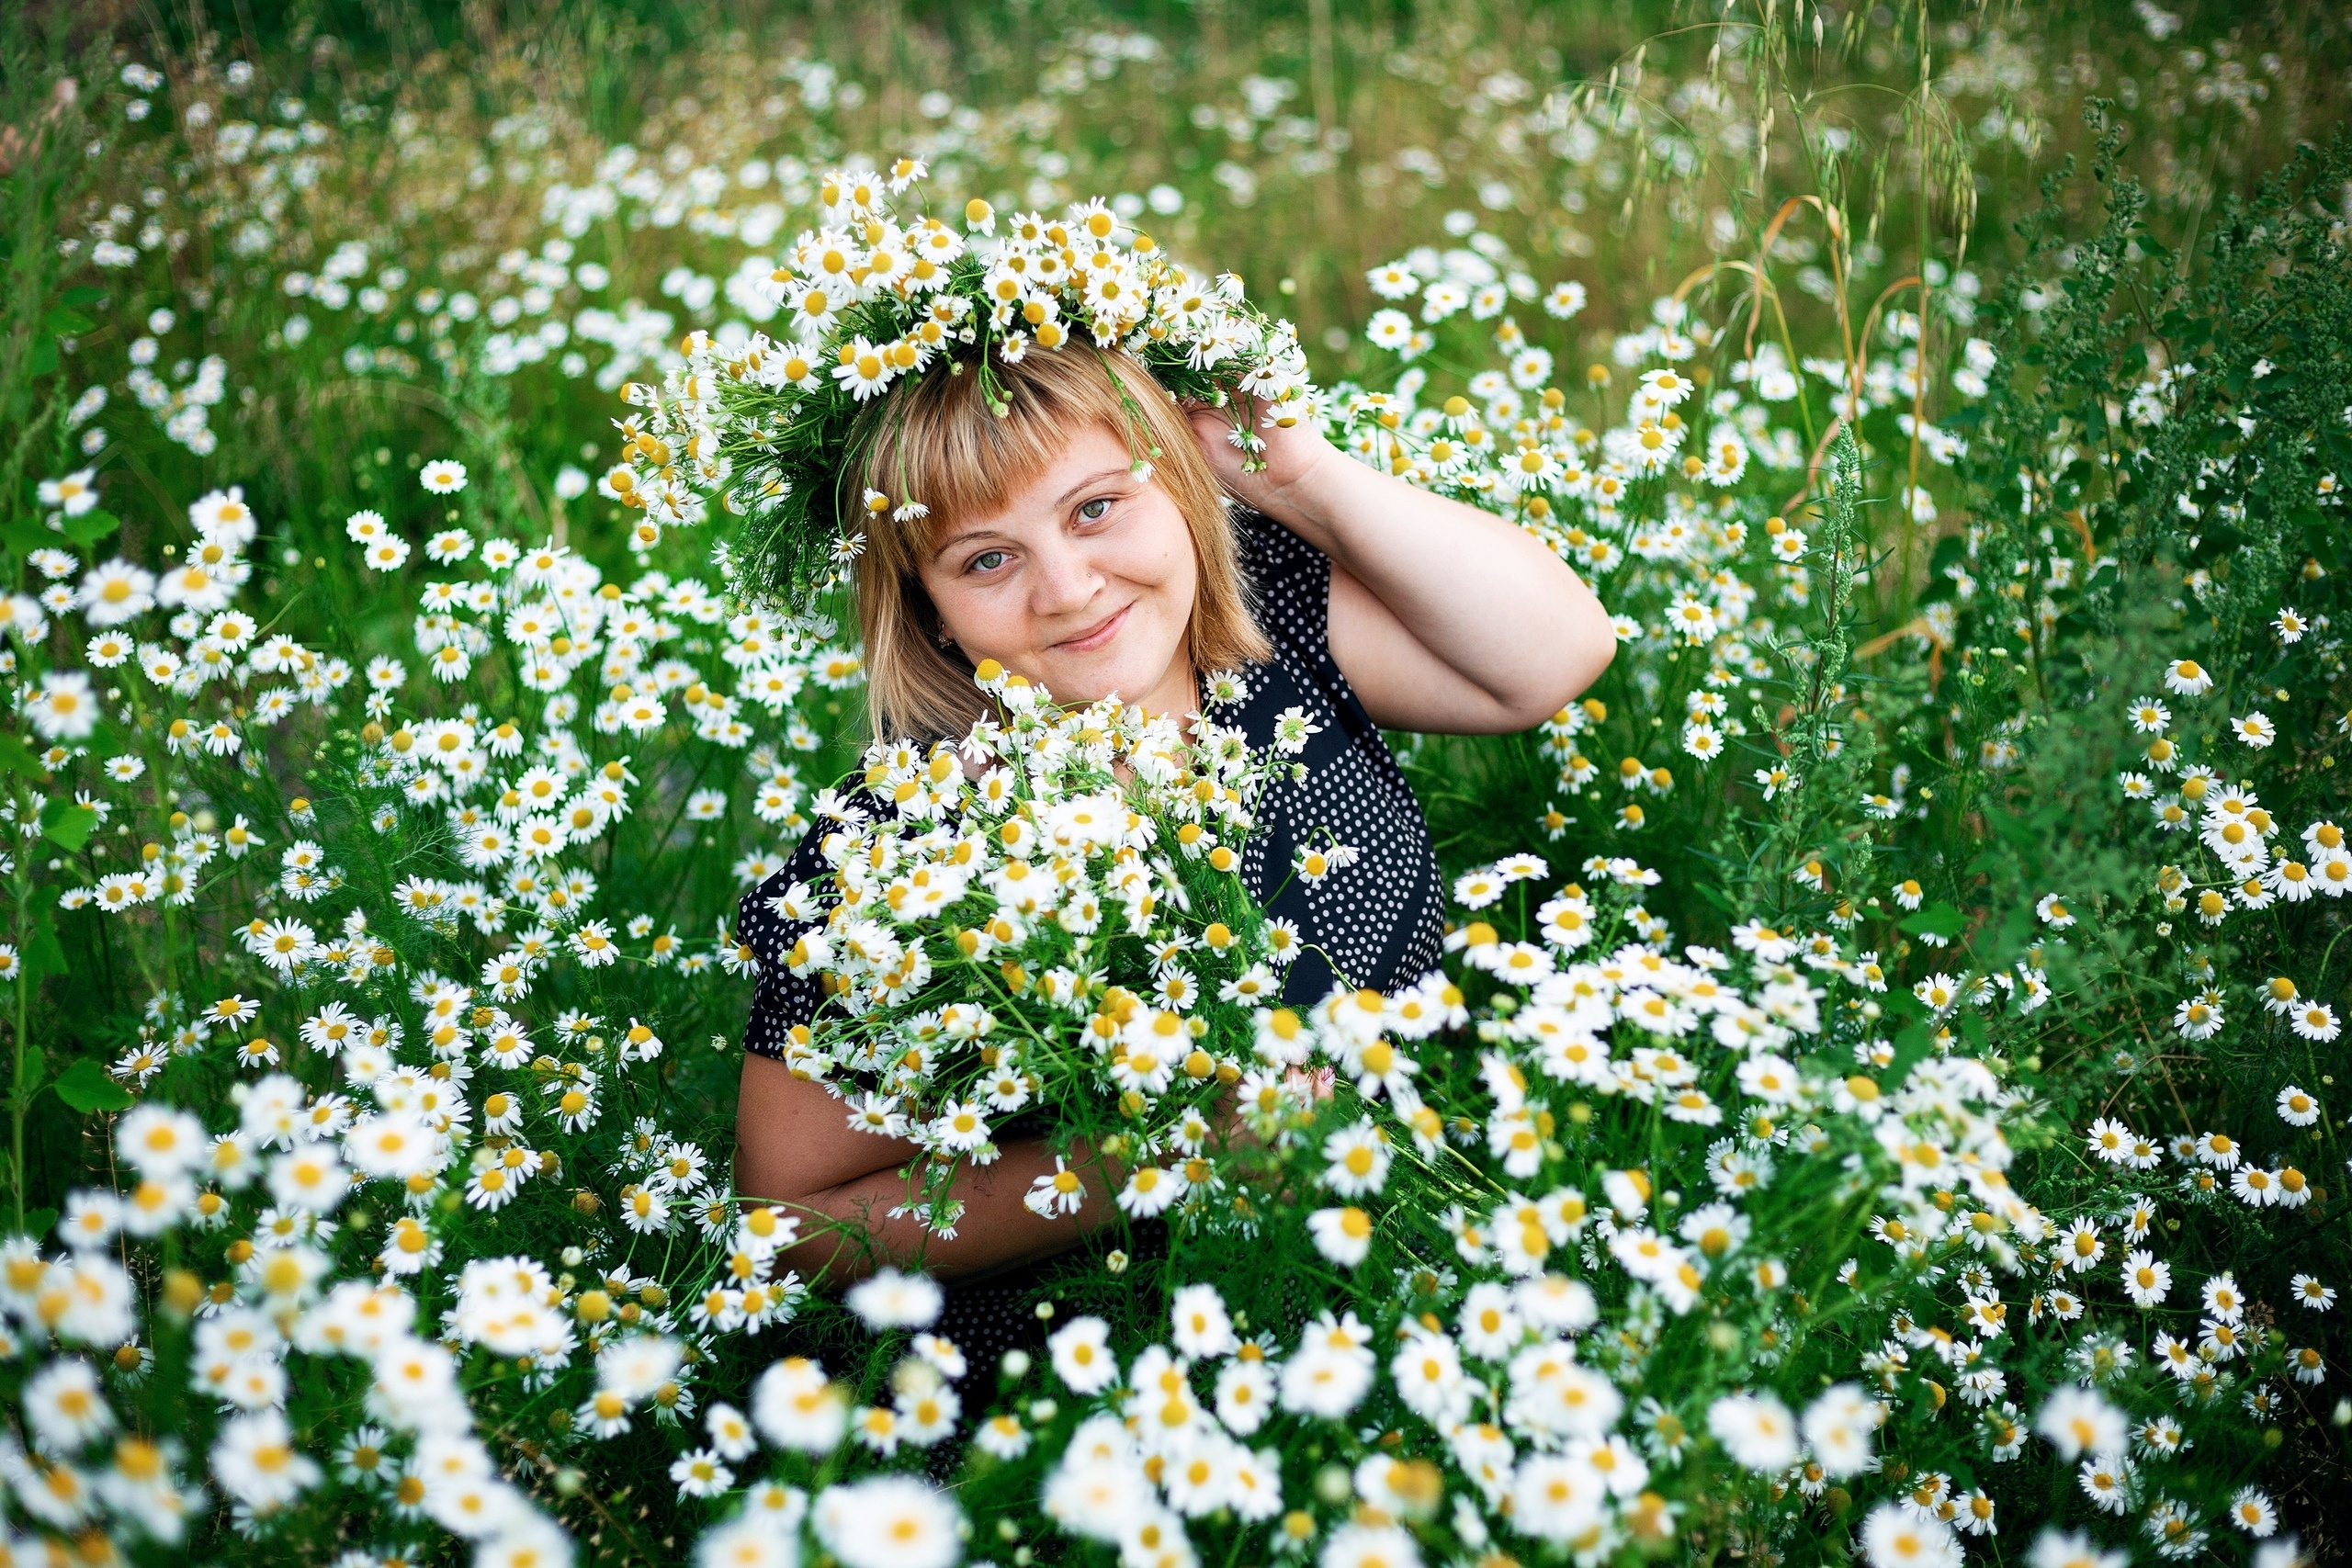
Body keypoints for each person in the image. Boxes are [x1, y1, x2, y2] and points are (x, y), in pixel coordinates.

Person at [732, 343, 1612, 1373]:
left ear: (1181, 484)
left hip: (1407, 1289)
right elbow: (791, 1226)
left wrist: (1301, 476)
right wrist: (1160, 1160)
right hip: (1100, 1383)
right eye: (985, 558)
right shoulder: (896, 853)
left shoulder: (1264, 637)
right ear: (928, 607)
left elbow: (1555, 657)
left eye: (1096, 507)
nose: (1066, 589)